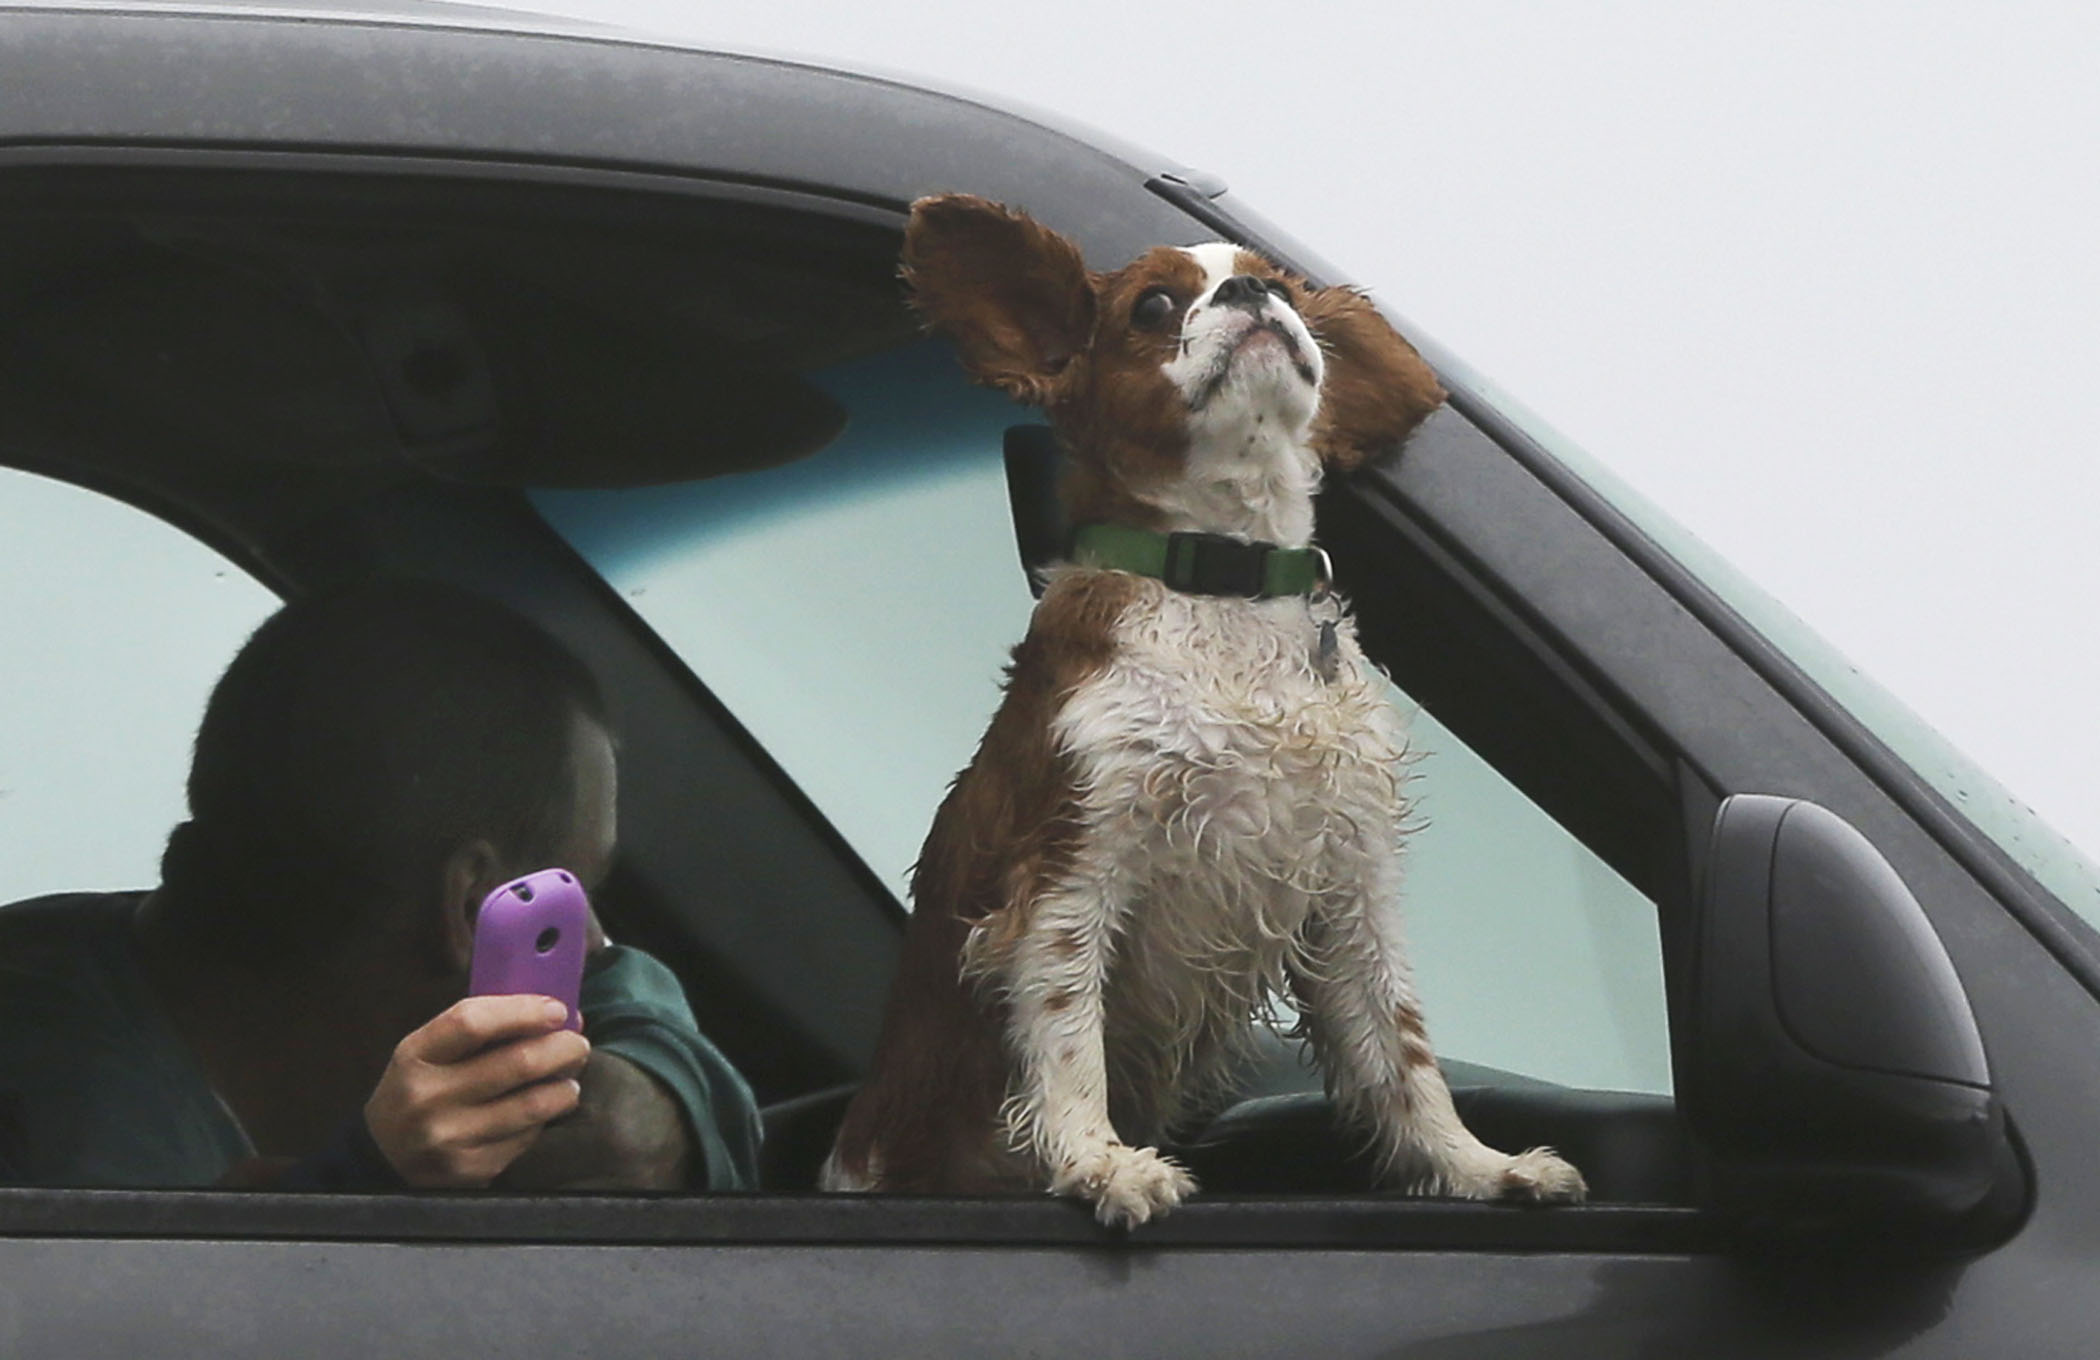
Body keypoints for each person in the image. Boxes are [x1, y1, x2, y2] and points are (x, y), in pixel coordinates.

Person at [0, 580, 760, 1191]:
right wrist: (362, 1183)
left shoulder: (88, 988)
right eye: (571, 892)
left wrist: (657, 1107)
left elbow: (630, 1001)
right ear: (471, 908)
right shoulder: (56, 1159)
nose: (593, 940)